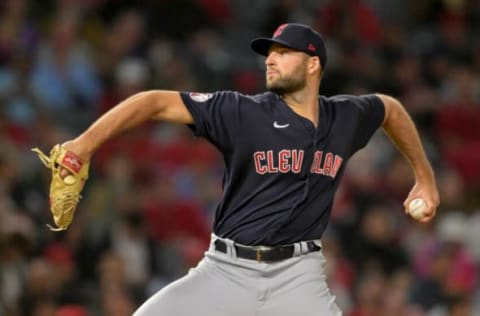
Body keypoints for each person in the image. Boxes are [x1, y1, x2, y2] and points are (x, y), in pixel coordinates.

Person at [59, 23, 439, 315]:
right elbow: (155, 102)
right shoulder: (242, 111)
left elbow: (390, 108)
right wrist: (84, 144)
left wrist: (424, 177)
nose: (270, 59)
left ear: (313, 64)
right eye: (268, 53)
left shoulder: (345, 117)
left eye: (283, 52)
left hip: (298, 276)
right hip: (225, 268)